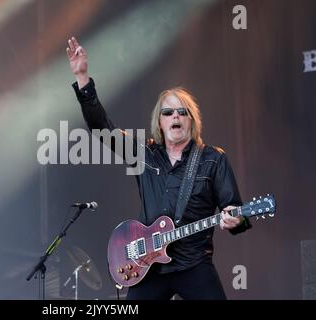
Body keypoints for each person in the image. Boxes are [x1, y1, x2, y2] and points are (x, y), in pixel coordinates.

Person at [66, 37, 252, 300]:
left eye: (181, 111)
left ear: (191, 119)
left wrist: (237, 218)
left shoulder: (212, 159)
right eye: (168, 112)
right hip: (149, 266)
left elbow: (236, 213)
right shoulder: (145, 155)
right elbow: (103, 130)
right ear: (160, 122)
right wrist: (83, 78)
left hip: (193, 263)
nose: (175, 116)